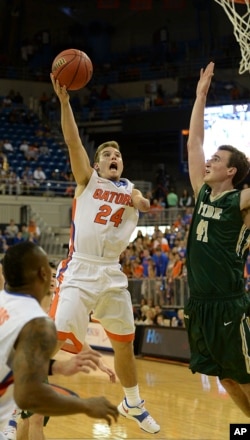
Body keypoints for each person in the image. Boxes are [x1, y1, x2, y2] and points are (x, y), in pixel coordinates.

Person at [49, 74, 160, 434]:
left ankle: (133, 403)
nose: (114, 157)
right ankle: (19, 394)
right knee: (55, 341)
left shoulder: (128, 188)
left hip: (111, 273)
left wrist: (143, 202)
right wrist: (65, 103)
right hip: (80, 270)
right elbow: (72, 141)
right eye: (108, 155)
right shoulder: (88, 181)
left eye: (118, 155)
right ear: (97, 165)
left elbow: (138, 199)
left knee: (124, 342)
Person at [184, 61, 250, 416]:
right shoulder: (201, 194)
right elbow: (194, 140)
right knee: (226, 379)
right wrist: (201, 95)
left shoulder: (241, 201)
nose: (208, 160)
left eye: (217, 158)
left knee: (246, 376)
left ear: (232, 171)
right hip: (200, 304)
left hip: (229, 304)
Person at [0, 242, 118, 439]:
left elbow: (72, 335)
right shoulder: (32, 310)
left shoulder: (55, 304)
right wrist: (84, 405)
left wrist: (63, 366)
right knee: (34, 418)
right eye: (50, 275)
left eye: (55, 275)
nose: (53, 279)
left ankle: (13, 417)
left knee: (31, 419)